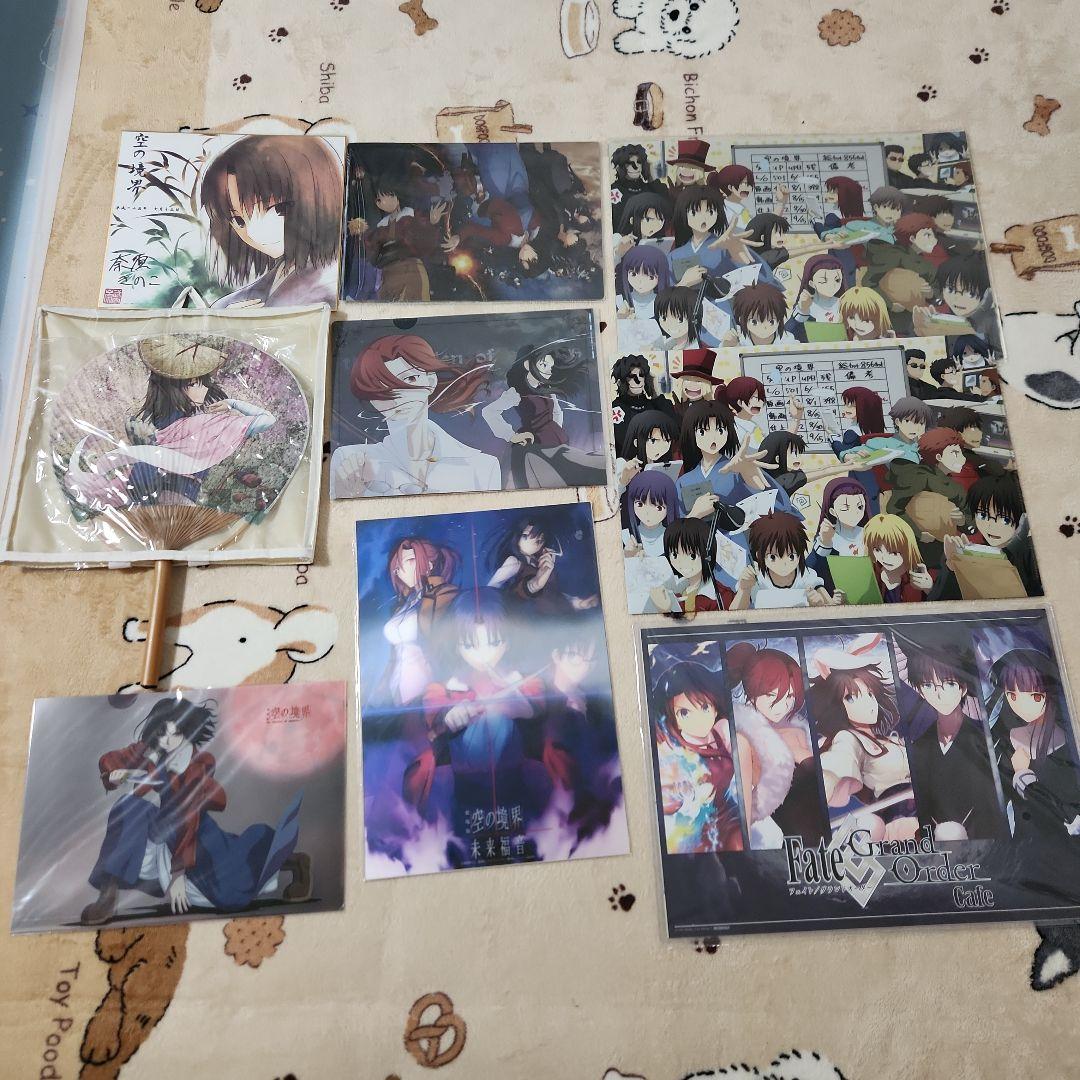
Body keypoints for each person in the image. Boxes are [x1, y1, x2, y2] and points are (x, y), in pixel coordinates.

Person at [81, 696, 310, 924]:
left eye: (175, 734)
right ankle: (107, 895)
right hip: (161, 826)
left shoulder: (198, 765)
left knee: (232, 888)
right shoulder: (151, 748)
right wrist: (114, 773)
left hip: (194, 834)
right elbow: (113, 759)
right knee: (129, 807)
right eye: (162, 733)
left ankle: (295, 863)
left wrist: (178, 874)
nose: (166, 741)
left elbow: (188, 814)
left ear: (188, 732)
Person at [64, 337, 275, 513]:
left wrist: (232, 403)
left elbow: (268, 420)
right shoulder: (197, 422)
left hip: (160, 490)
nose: (203, 390)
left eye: (203, 384)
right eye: (194, 384)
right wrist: (234, 404)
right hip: (170, 492)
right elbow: (267, 419)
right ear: (176, 388)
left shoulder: (196, 422)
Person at [329, 334, 499, 498]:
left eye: (410, 379)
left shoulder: (482, 467)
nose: (398, 396)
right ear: (371, 398)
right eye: (382, 388)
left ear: (430, 382)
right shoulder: (351, 461)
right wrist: (349, 495)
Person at [200, 135, 344, 308]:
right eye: (239, 220)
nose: (254, 233)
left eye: (278, 209)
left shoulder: (328, 285)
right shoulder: (278, 274)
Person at [808, 636, 919, 842]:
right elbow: (839, 759)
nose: (868, 704)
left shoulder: (890, 740)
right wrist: (828, 780)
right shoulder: (849, 739)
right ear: (838, 706)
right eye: (851, 698)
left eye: (869, 694)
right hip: (899, 821)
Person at [897, 635, 1008, 840]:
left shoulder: (983, 741)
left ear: (963, 688)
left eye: (948, 684)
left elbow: (991, 805)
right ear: (920, 691)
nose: (939, 694)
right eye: (928, 686)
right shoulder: (920, 746)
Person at [725, 641, 827, 847]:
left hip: (825, 827)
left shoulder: (797, 731)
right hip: (793, 838)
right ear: (752, 691)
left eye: (789, 696)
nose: (783, 705)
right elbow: (744, 803)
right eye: (771, 695)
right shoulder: (745, 740)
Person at [987, 647, 1080, 842]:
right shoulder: (1003, 738)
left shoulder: (1068, 745)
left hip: (1057, 847)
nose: (1022, 706)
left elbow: (1068, 817)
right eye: (1012, 695)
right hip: (1021, 844)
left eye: (1034, 696)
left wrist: (1023, 775)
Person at [482, 344, 606, 488]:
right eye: (544, 365)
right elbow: (489, 412)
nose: (548, 371)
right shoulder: (517, 393)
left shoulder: (547, 389)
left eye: (550, 367)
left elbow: (557, 411)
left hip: (556, 442)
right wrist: (512, 436)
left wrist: (556, 430)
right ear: (527, 364)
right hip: (534, 447)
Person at [655, 661, 744, 853]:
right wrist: (681, 793)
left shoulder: (721, 731)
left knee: (740, 845)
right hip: (693, 826)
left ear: (715, 707)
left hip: (728, 812)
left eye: (704, 707)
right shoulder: (673, 750)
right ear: (674, 719)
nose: (699, 719)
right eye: (685, 713)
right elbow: (665, 802)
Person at [377, 538, 461, 706]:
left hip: (426, 680)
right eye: (398, 568)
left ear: (429, 564)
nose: (402, 571)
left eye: (409, 561)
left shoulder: (444, 595)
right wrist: (383, 685)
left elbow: (450, 641)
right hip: (396, 684)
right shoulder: (404, 603)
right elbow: (394, 653)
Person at [487, 515, 599, 615]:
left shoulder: (539, 561)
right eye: (525, 536)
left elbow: (551, 592)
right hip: (531, 616)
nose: (533, 543)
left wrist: (576, 602)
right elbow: (491, 589)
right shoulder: (513, 562)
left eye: (540, 540)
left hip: (556, 613)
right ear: (517, 536)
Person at [732, 510, 840, 610]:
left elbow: (831, 609)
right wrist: (744, 589)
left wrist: (819, 604)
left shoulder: (806, 575)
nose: (784, 563)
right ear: (759, 556)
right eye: (773, 557)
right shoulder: (756, 577)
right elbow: (733, 615)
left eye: (791, 556)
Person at [649, 517, 729, 613]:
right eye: (674, 555)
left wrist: (666, 611)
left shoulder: (721, 596)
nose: (682, 563)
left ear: (708, 555)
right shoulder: (676, 589)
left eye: (692, 556)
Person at [610, 354, 677, 455]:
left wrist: (656, 394)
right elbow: (623, 443)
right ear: (622, 380)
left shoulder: (655, 405)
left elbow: (674, 429)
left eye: (641, 375)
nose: (638, 380)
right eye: (631, 376)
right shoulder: (616, 408)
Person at [862, 513, 934, 602]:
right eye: (877, 550)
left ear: (908, 548)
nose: (885, 558)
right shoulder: (873, 571)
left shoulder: (921, 574)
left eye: (894, 552)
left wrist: (929, 589)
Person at [757, 431, 851, 496]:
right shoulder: (787, 480)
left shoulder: (772, 475)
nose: (798, 457)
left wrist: (846, 465)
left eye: (799, 453)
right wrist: (852, 466)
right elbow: (825, 471)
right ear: (778, 458)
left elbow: (820, 469)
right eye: (793, 453)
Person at [725, 283, 801, 347]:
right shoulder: (739, 337)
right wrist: (727, 345)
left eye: (771, 321)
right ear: (741, 319)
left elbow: (798, 351)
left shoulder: (786, 339)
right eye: (754, 322)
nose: (764, 327)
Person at [812, 477, 871, 559]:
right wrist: (825, 541)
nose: (854, 512)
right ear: (833, 512)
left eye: (860, 507)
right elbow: (815, 562)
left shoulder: (867, 533)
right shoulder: (828, 535)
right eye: (845, 508)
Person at [616, 243, 673, 323]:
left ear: (661, 276)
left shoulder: (666, 303)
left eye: (650, 277)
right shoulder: (619, 301)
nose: (640, 281)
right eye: (633, 274)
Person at [788, 255, 847, 331]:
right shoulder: (806, 304)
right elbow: (790, 331)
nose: (832, 285)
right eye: (823, 281)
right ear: (811, 283)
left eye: (837, 280)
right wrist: (803, 310)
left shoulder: (842, 303)